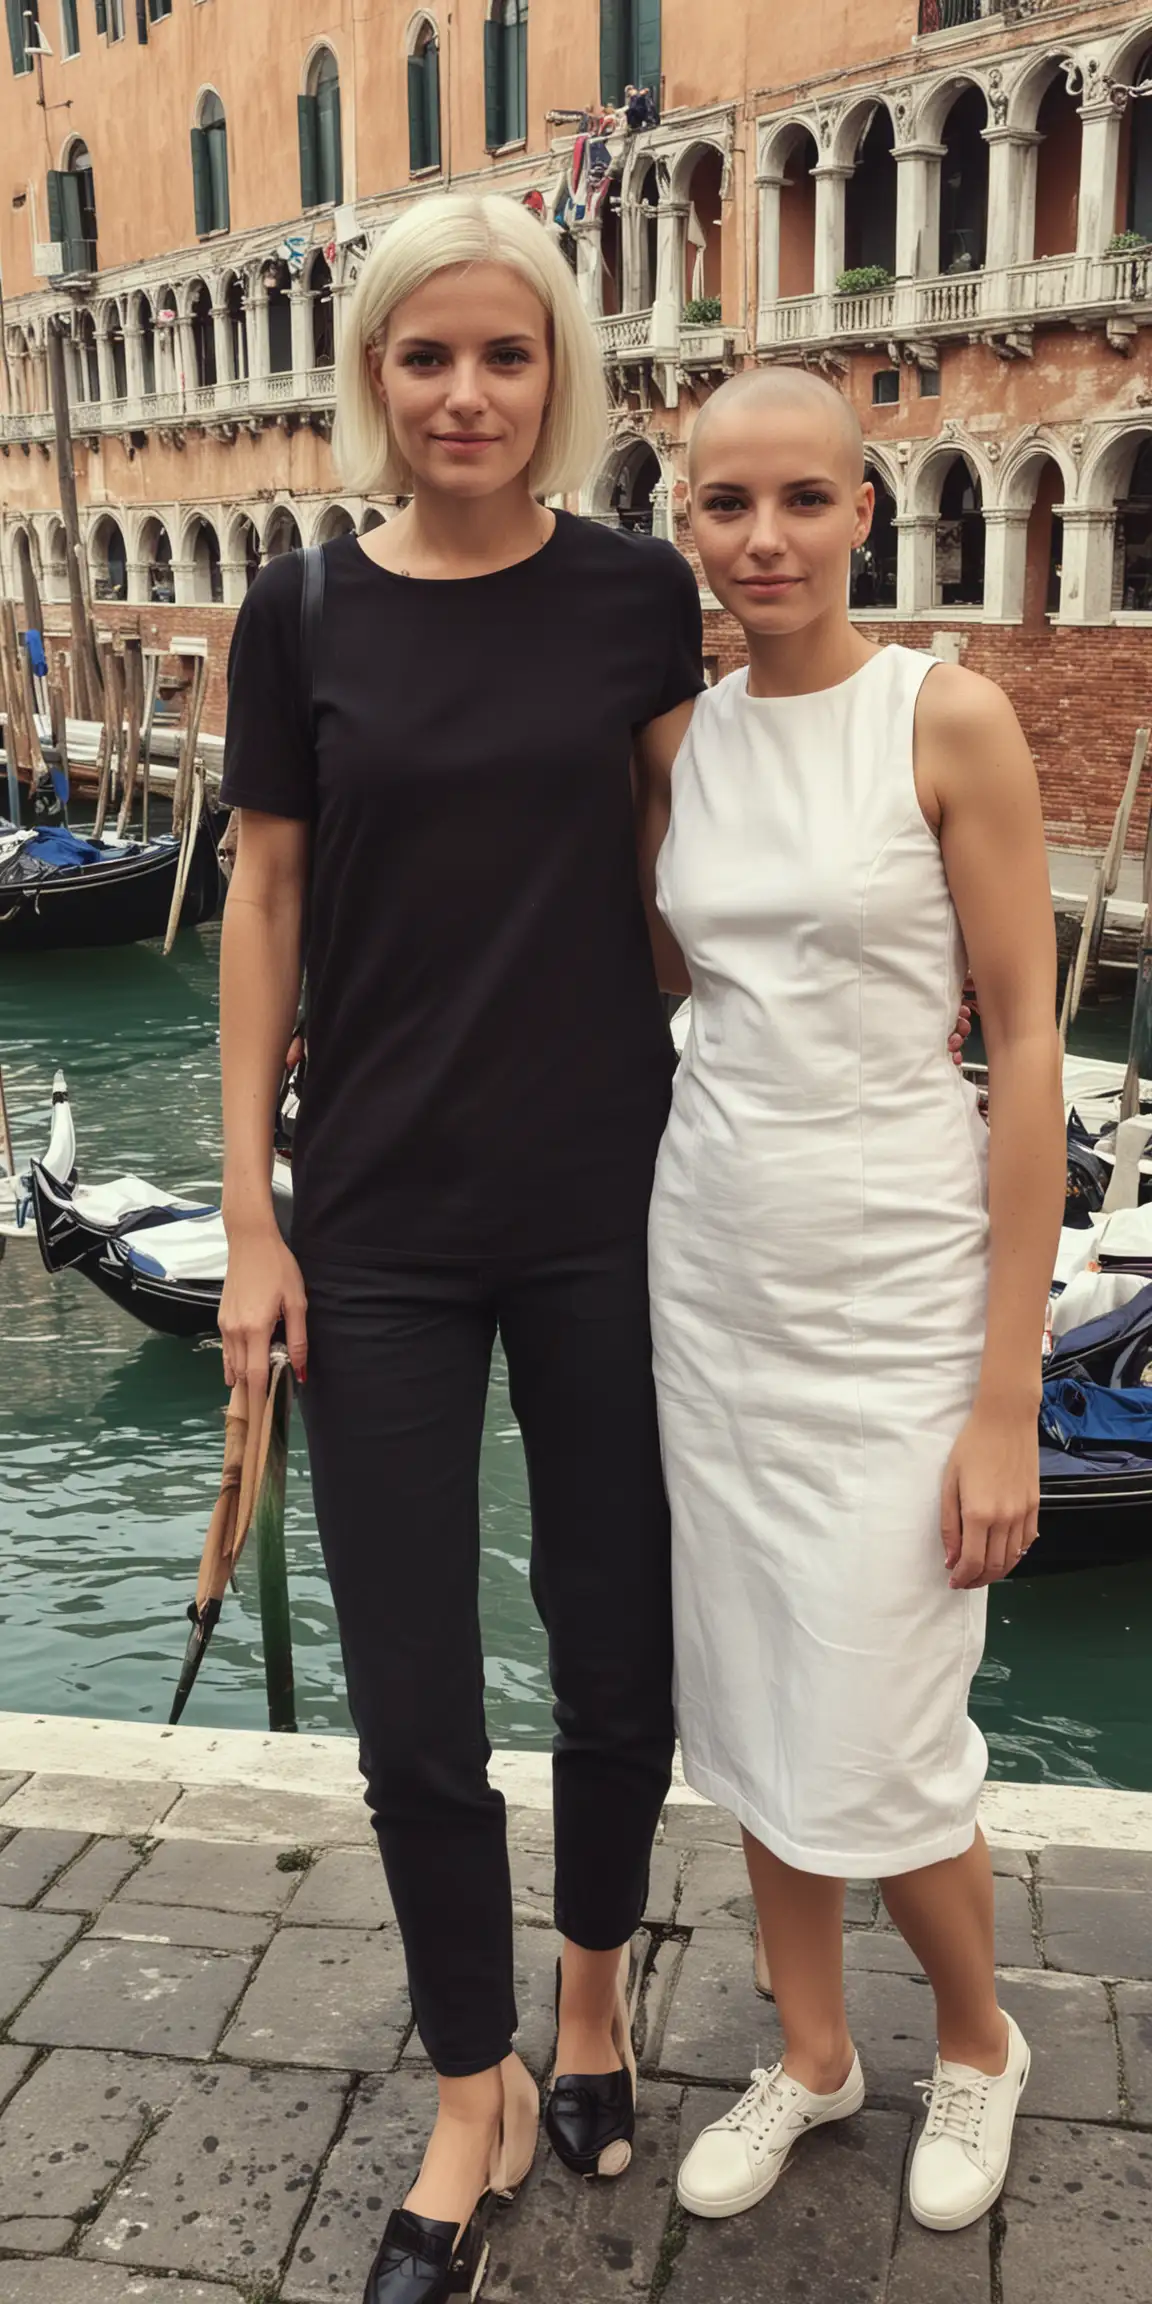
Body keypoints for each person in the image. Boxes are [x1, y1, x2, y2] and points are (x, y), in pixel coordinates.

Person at [216, 191, 704, 2304]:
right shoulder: (302, 611)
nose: (468, 394)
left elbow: (707, 875)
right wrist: (248, 1209)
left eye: (506, 356)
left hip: (615, 1195)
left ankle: (594, 1999)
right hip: (385, 1217)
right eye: (428, 357)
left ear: (559, 374)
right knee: (414, 1693)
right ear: (376, 381)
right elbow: (262, 908)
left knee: (617, 1655)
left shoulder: (641, 600)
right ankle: (470, 2078)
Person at [636, 368, 1064, 2236]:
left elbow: (1033, 1044)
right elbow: (673, 988)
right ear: (688, 523)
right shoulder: (675, 740)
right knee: (746, 1693)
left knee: (885, 1718)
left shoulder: (946, 719)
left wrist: (1004, 1397)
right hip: (712, 1271)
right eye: (727, 505)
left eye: (804, 500)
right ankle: (813, 2053)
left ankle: (977, 2042)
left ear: (865, 509)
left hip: (899, 1287)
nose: (765, 539)